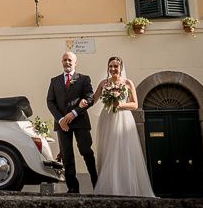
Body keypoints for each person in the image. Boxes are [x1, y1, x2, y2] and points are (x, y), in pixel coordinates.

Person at [79, 56, 155, 197]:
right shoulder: (103, 83)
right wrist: (84, 102)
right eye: (111, 66)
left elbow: (135, 104)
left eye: (116, 66)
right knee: (109, 151)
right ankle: (109, 187)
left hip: (123, 119)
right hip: (107, 119)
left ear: (121, 68)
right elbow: (94, 99)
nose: (113, 69)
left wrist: (121, 105)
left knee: (122, 151)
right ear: (108, 68)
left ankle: (125, 187)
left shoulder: (127, 83)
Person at [46, 51, 98, 193]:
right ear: (61, 62)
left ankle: (97, 184)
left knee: (86, 151)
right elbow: (50, 101)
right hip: (62, 124)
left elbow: (89, 98)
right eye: (64, 60)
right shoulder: (54, 81)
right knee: (67, 155)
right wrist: (61, 119)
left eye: (69, 60)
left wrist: (74, 113)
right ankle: (73, 189)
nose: (67, 62)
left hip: (80, 121)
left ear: (75, 62)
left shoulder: (83, 79)